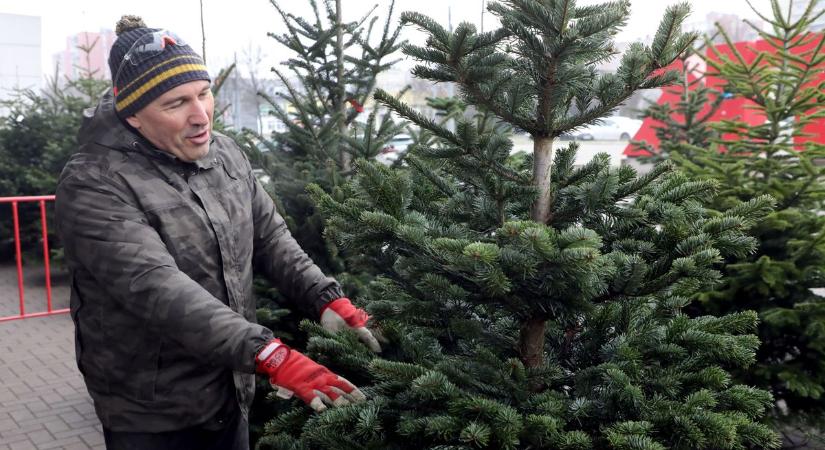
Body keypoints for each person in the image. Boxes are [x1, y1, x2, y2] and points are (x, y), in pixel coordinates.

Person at [54, 15, 381, 450]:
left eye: (204, 94)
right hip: (153, 408)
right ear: (132, 115)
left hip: (231, 383)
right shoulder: (94, 182)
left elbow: (271, 238)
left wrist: (326, 297)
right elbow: (158, 289)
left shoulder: (224, 154)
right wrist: (270, 353)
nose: (200, 116)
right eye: (175, 104)